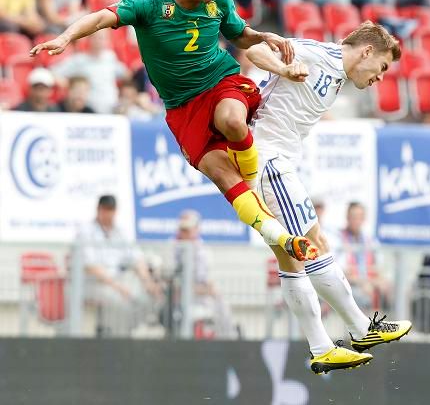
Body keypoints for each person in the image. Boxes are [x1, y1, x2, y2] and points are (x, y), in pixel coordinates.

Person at [30, 0, 314, 266]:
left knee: (232, 121)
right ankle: (282, 237)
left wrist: (262, 35)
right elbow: (103, 16)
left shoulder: (220, 0)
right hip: (182, 108)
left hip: (220, 81)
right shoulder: (151, 4)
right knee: (221, 174)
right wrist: (66, 36)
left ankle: (254, 180)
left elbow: (238, 34)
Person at [246, 22, 412, 374]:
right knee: (314, 240)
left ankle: (322, 348)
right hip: (268, 160)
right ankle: (361, 328)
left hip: (273, 160)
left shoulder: (337, 77)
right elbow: (254, 51)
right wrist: (284, 68)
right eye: (382, 67)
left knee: (291, 258)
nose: (382, 77)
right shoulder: (317, 53)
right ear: (367, 52)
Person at [76, 194, 164, 337]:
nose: (108, 213)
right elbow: (91, 267)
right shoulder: (86, 231)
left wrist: (148, 283)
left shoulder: (120, 231)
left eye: (111, 210)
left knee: (151, 297)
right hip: (93, 284)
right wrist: (119, 287)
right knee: (122, 302)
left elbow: (137, 259)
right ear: (98, 209)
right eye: (105, 209)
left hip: (117, 282)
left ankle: (124, 332)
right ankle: (119, 339)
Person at [174, 209, 238, 339]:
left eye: (188, 229)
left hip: (200, 299)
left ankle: (230, 342)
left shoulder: (202, 252)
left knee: (221, 305)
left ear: (197, 229)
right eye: (182, 229)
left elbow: (205, 282)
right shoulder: (173, 248)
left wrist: (208, 290)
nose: (184, 233)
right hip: (178, 300)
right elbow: (172, 283)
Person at [337, 201, 391, 312]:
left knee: (392, 291)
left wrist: (379, 281)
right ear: (347, 218)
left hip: (368, 284)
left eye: (360, 217)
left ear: (364, 219)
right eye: (353, 217)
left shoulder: (370, 240)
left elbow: (378, 268)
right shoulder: (339, 239)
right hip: (350, 286)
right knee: (362, 296)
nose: (356, 221)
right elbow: (342, 272)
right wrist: (363, 282)